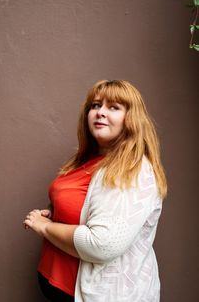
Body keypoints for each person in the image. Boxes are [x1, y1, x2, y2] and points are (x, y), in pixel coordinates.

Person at [23, 79, 167, 302]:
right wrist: (57, 212)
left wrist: (45, 227)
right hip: (56, 282)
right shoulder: (91, 159)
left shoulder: (134, 170)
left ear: (132, 119)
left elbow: (102, 244)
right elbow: (87, 205)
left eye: (114, 107)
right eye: (96, 105)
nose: (100, 112)